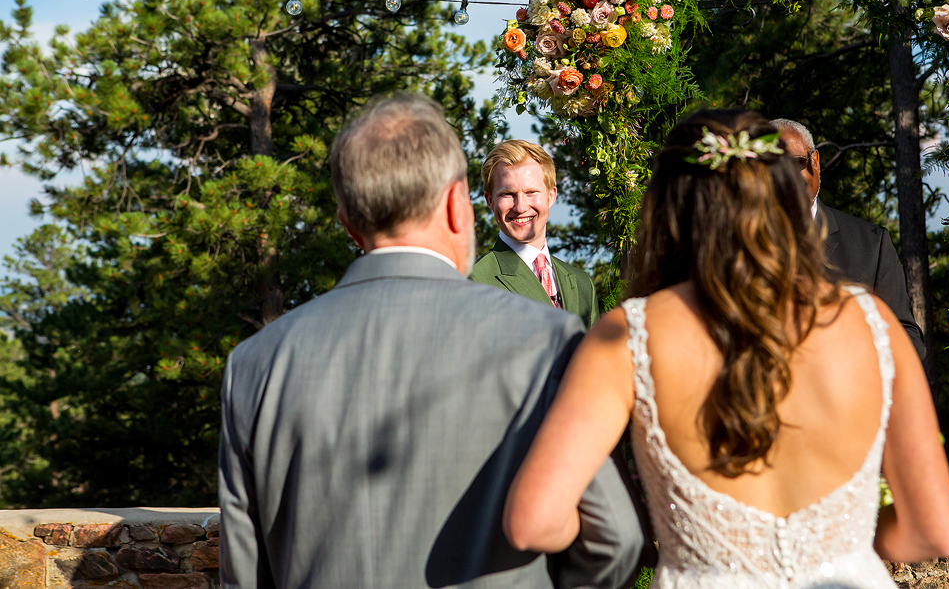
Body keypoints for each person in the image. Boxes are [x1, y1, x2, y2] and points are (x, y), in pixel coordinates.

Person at [504, 110, 949, 589]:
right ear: (778, 195)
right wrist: (836, 550)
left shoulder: (629, 337)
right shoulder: (872, 323)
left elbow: (533, 520)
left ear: (669, 209)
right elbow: (934, 531)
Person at [218, 93, 647, 589]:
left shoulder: (253, 365)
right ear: (457, 204)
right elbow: (614, 537)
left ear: (348, 224)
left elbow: (243, 575)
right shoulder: (544, 340)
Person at [770, 118, 927, 361]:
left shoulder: (871, 245)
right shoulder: (735, 243)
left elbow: (907, 339)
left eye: (795, 163)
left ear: (816, 162)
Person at [471, 140, 598, 328]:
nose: (520, 207)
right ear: (490, 200)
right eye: (508, 194)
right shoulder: (475, 280)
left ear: (551, 196)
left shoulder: (582, 284)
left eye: (531, 192)